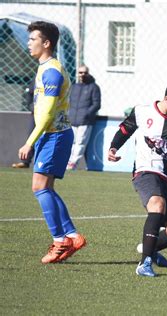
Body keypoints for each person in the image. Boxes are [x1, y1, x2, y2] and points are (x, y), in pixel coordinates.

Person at [108, 79, 167, 277]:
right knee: (157, 205)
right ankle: (145, 264)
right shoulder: (143, 111)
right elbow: (125, 129)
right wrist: (113, 147)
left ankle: (150, 248)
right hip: (145, 171)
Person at [18, 21, 86, 264]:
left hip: (55, 135)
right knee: (44, 187)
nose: (29, 43)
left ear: (46, 43)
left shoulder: (52, 71)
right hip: (52, 135)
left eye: (33, 39)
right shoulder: (46, 67)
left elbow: (46, 114)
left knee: (40, 187)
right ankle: (71, 236)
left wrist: (29, 142)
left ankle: (60, 240)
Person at [67, 65, 101, 170]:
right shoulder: (74, 87)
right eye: (80, 72)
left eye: (85, 72)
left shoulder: (94, 87)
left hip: (85, 121)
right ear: (77, 73)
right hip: (72, 119)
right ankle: (68, 161)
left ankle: (73, 163)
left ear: (88, 73)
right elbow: (68, 101)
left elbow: (96, 104)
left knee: (80, 142)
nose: (82, 75)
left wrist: (87, 113)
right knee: (71, 141)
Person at [12, 79, 36, 168]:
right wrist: (32, 107)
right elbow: (29, 94)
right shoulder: (36, 79)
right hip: (36, 114)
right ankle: (25, 162)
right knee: (32, 136)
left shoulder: (54, 76)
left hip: (51, 114)